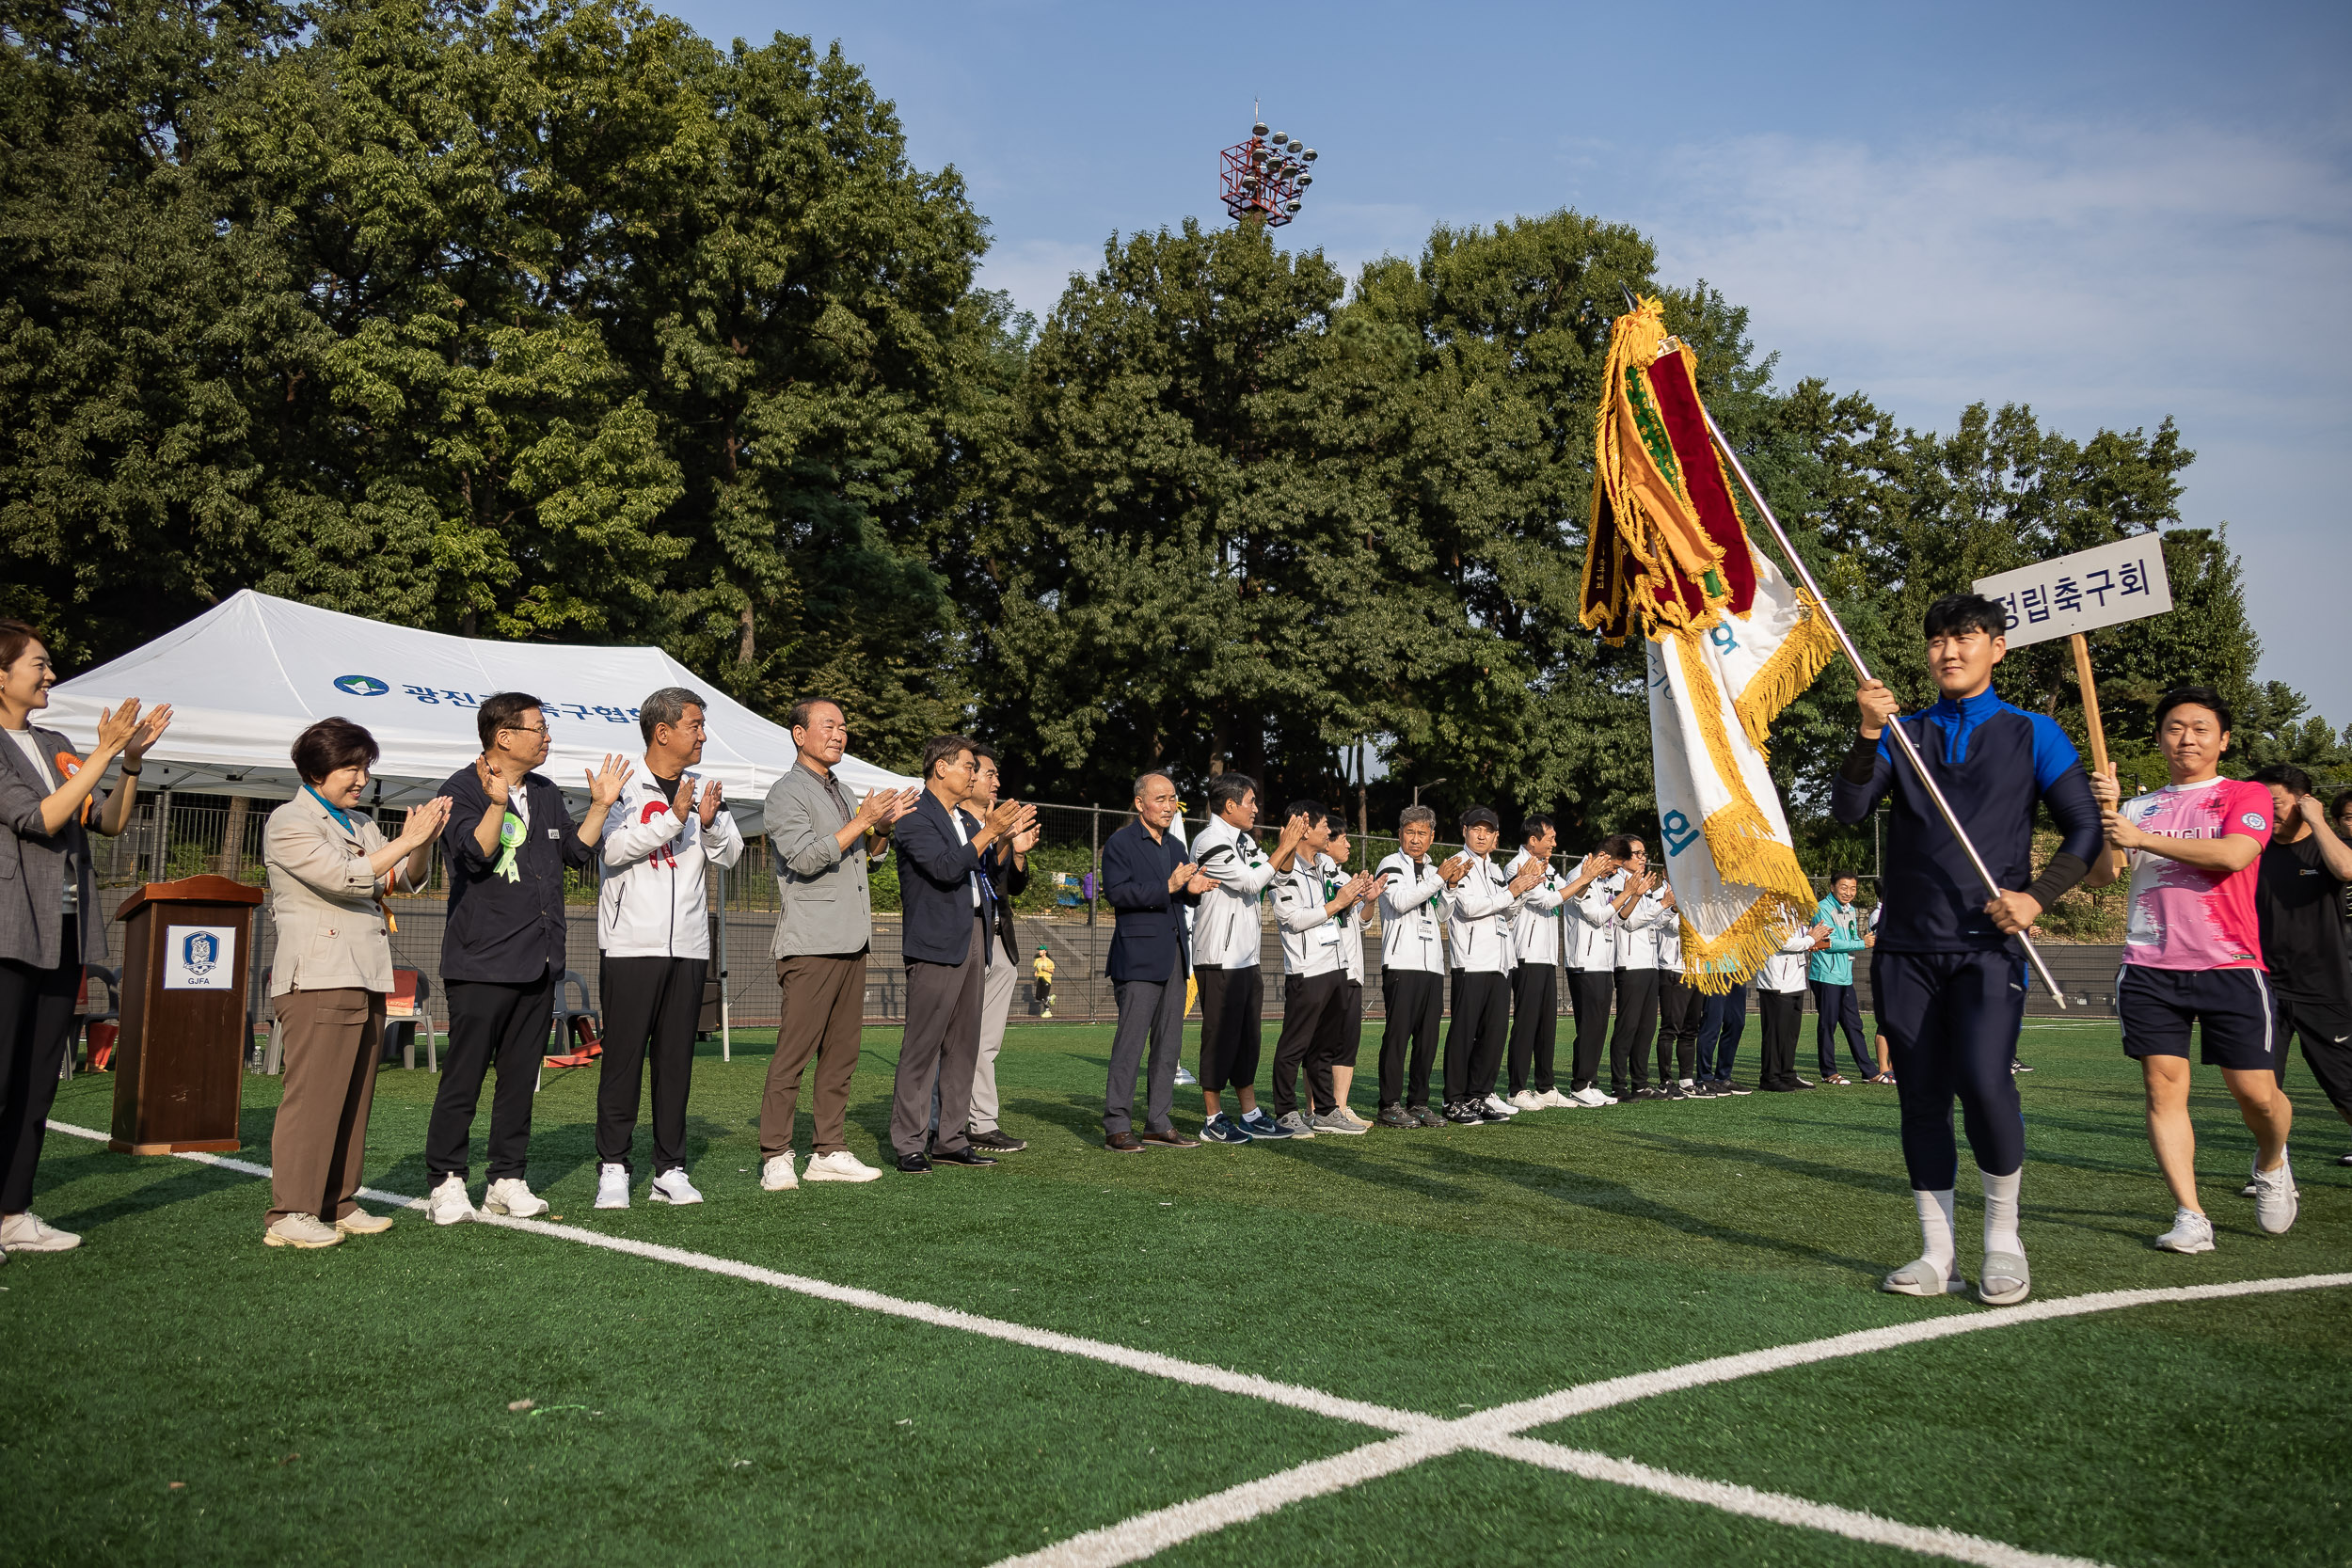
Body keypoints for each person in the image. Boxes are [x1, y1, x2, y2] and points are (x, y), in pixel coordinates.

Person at [1833, 593, 2102, 1307]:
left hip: (1987, 947)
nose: (1949, 650)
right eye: (1938, 640)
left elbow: (2084, 832)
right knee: (1920, 1096)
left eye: (1966, 637)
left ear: (1997, 647)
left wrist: (2037, 897)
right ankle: (1937, 1250)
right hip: (1906, 949)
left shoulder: (2034, 733)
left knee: (1985, 1082)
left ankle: (2003, 1242)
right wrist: (1866, 734)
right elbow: (1850, 811)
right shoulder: (1902, 730)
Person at [2082, 689, 2295, 1250]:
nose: (2187, 738)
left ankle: (2272, 1162)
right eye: (2175, 728)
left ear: (2223, 740)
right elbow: (2103, 876)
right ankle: (2189, 1214)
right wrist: (2106, 816)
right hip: (2150, 966)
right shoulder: (2136, 809)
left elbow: (2234, 855)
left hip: (2230, 964)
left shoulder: (2245, 794)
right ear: (2160, 738)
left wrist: (2143, 837)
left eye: (2201, 728)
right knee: (2162, 1090)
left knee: (2257, 1095)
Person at [423, 693, 630, 1226]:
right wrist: (496, 803)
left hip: (540, 960)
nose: (547, 738)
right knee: (464, 1078)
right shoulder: (460, 789)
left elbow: (576, 853)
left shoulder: (543, 791)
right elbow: (477, 853)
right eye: (538, 729)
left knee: (520, 1078)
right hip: (481, 963)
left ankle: (507, 1177)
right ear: (503, 737)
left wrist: (602, 806)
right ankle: (446, 1181)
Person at [0, 621, 169, 1256]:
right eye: (38, 665)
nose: (49, 676)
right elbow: (39, 817)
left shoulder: (57, 742)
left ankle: (13, 1210)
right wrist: (102, 751)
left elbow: (108, 819)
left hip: (63, 932)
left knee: (39, 1078)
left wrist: (127, 763)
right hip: (10, 928)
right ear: (2, 676)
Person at [260, 719, 449, 1247]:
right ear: (317, 769)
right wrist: (405, 839)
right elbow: (348, 877)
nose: (361, 777)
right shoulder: (288, 820)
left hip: (363, 974)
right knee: (314, 1096)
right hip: (319, 976)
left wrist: (422, 844)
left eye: (365, 766)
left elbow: (401, 878)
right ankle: (291, 1212)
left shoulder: (360, 823)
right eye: (351, 766)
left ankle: (337, 1202)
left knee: (353, 1096)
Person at [591, 688, 744, 1210]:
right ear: (663, 732)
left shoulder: (702, 789)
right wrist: (673, 820)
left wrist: (707, 820)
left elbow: (730, 855)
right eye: (695, 724)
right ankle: (613, 1167)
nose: (703, 734)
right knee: (623, 1060)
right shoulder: (623, 786)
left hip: (689, 947)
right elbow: (611, 850)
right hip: (631, 944)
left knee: (676, 1061)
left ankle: (669, 1169)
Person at [757, 699, 916, 1192]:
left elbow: (871, 856)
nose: (840, 734)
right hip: (810, 943)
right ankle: (776, 1153)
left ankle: (829, 1149)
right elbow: (805, 858)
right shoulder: (786, 793)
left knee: (842, 1055)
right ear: (798, 735)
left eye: (844, 726)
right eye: (829, 726)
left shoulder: (844, 790)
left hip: (852, 940)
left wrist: (882, 826)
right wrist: (862, 819)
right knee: (794, 1054)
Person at [888, 735, 1033, 1174]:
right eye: (969, 766)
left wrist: (1009, 842)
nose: (975, 773)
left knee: (964, 1046)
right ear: (941, 769)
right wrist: (991, 831)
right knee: (923, 1047)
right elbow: (946, 868)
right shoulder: (915, 818)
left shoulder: (965, 822)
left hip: (975, 935)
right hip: (935, 942)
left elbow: (990, 875)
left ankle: (951, 1138)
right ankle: (910, 1143)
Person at [1187, 773, 1306, 1144]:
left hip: (1246, 958)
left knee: (1247, 1041)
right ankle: (1212, 1117)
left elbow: (1275, 879)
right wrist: (1282, 847)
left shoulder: (1245, 842)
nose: (1256, 809)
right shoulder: (1209, 841)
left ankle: (1250, 1113)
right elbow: (1251, 882)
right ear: (1230, 806)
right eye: (1251, 801)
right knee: (1219, 1038)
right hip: (1218, 959)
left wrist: (1288, 850)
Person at [1101, 771, 1216, 1151]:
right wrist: (1168, 886)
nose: (1169, 807)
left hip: (1174, 957)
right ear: (1140, 804)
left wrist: (1193, 890)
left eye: (1173, 800)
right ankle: (1117, 1123)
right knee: (1130, 1047)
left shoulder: (1175, 846)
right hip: (1136, 959)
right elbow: (1116, 893)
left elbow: (1182, 896)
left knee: (1169, 1046)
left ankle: (1158, 1121)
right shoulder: (1119, 843)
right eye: (1161, 799)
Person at [2250, 765, 2352, 1169]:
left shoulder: (2328, 847)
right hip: (2264, 988)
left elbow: (2346, 869)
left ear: (2302, 800)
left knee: (2345, 1090)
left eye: (2274, 802)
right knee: (2260, 1091)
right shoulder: (2253, 849)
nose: (2266, 811)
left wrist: (2316, 819)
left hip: (2324, 988)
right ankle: (2272, 1168)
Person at [1270, 804, 1377, 1135]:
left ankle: (1327, 1111)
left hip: (1337, 966)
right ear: (1304, 829)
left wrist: (1363, 897)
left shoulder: (1326, 867)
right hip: (1306, 969)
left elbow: (1352, 919)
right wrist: (1338, 902)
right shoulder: (1283, 869)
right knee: (1295, 1046)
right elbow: (1292, 918)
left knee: (1325, 1047)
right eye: (1323, 826)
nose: (1329, 833)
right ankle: (1285, 1112)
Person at [961, 744, 1038, 1155]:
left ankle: (982, 1121)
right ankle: (948, 1119)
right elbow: (959, 873)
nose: (995, 781)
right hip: (964, 941)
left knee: (987, 1041)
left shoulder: (993, 827)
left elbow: (1008, 885)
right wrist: (996, 834)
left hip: (999, 939)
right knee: (957, 1038)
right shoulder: (955, 823)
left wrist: (1016, 850)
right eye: (986, 772)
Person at [1442, 807, 1535, 1123]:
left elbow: (1506, 914)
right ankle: (1454, 1099)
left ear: (1496, 837)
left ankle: (1478, 1095)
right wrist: (1512, 890)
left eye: (1488, 831)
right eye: (1476, 829)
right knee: (1464, 1033)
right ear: (1464, 830)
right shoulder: (1458, 864)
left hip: (1500, 962)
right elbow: (1468, 907)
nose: (1481, 835)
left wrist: (1521, 892)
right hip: (1470, 962)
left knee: (1494, 1034)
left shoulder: (1494, 870)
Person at [1375, 806, 1453, 1128]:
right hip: (1401, 962)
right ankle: (1388, 1103)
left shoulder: (1435, 869)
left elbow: (1444, 914)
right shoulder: (1390, 864)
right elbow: (1401, 901)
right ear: (1400, 834)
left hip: (1432, 965)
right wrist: (1439, 879)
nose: (1416, 839)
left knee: (1427, 1038)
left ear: (1432, 837)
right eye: (1410, 832)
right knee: (1398, 1036)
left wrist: (1450, 885)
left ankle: (1419, 1101)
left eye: (1422, 833)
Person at [1502, 816, 1569, 1111]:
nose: (1554, 843)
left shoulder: (1549, 868)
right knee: (1526, 1024)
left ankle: (1545, 1086)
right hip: (1526, 955)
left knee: (1547, 1025)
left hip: (1547, 956)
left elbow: (1567, 892)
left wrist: (1589, 878)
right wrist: (1584, 879)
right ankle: (1517, 1088)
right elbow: (1547, 901)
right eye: (1550, 838)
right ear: (1533, 840)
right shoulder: (1515, 866)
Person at [1604, 839, 1672, 1101]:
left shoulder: (1643, 883)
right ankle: (1618, 1084)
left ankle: (1640, 1083)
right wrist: (1660, 905)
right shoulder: (1620, 882)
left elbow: (1653, 922)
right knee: (1627, 1026)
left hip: (1649, 962)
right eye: (1637, 854)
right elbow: (1629, 922)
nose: (1643, 858)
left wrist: (1669, 906)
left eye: (1645, 853)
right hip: (1629, 963)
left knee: (1646, 1027)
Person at [1563, 841, 1628, 1106]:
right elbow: (1596, 916)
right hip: (1584, 962)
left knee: (1600, 1026)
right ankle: (1579, 1084)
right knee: (1588, 1026)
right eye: (1613, 866)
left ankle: (1591, 1082)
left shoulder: (1601, 882)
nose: (1613, 872)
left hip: (1602, 963)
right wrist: (1628, 894)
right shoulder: (1578, 875)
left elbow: (1615, 919)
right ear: (1602, 857)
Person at [1808, 873, 1872, 1084]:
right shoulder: (1822, 908)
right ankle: (1829, 1072)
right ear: (1833, 887)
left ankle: (1869, 1072)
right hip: (1826, 975)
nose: (1849, 893)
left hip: (1845, 976)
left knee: (1854, 1024)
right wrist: (1862, 944)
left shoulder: (1851, 910)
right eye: (1844, 887)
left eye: (1853, 888)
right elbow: (1830, 943)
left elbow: (1851, 938)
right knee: (1828, 1024)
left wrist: (1863, 939)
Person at [1755, 916, 1831, 1091]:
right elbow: (1785, 942)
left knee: (1790, 1034)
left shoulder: (1794, 912)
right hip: (1776, 983)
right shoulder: (1769, 911)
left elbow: (1801, 940)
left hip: (1795, 981)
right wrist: (1811, 938)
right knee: (1775, 1034)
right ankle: (1770, 1077)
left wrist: (1816, 937)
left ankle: (1787, 1073)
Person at [1651, 888, 1700, 1098]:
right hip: (1673, 969)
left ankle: (1686, 1080)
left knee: (1691, 1029)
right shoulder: (1660, 894)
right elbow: (1664, 923)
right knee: (1670, 1028)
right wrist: (1673, 907)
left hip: (1697, 969)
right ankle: (1666, 1080)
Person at [1032, 944, 1056, 1018]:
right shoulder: (1037, 960)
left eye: (1041, 950)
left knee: (1044, 996)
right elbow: (1037, 968)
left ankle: (1047, 1011)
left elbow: (1052, 971)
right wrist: (1036, 972)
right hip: (1040, 978)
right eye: (1039, 950)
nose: (1040, 951)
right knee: (1038, 996)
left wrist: (1046, 969)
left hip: (1046, 979)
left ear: (1045, 951)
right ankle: (1050, 998)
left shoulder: (1049, 961)